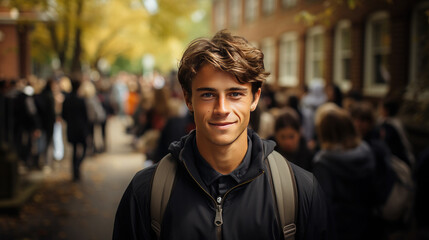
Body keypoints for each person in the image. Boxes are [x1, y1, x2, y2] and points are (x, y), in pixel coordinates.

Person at [113, 30, 333, 240]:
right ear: (188, 99)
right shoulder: (146, 192)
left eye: (235, 94)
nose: (222, 108)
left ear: (255, 98)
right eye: (208, 94)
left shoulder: (300, 191)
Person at [312, 103, 379, 240]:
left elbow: (324, 205)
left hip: (339, 228)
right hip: (366, 223)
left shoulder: (324, 162)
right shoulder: (366, 151)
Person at [62, 78, 89, 181]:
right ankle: (77, 165)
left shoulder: (67, 100)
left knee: (73, 150)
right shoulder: (81, 100)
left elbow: (63, 115)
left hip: (71, 128)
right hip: (81, 128)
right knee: (85, 147)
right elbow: (85, 116)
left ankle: (74, 171)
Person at [270, 107, 313, 171]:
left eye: (291, 136)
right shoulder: (269, 154)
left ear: (299, 133)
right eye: (282, 137)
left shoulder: (309, 158)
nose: (287, 142)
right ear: (275, 135)